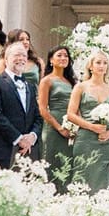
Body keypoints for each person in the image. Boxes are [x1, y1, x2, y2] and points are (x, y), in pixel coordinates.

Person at [66, 52, 109, 192]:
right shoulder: (80, 87)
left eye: (105, 63)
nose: (102, 66)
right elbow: (70, 114)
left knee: (102, 183)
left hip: (106, 141)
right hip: (85, 140)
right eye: (98, 62)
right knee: (83, 177)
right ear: (90, 66)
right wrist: (91, 126)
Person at [0, 40, 41, 168]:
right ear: (6, 59)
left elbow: (37, 117)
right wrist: (18, 138)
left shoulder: (30, 86)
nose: (21, 58)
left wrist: (32, 136)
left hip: (28, 151)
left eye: (24, 56)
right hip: (2, 148)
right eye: (17, 55)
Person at [37, 46, 78, 185]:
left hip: (71, 125)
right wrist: (60, 128)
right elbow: (42, 109)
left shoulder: (71, 81)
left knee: (68, 163)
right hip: (54, 126)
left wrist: (74, 127)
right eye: (59, 55)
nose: (63, 58)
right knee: (53, 162)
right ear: (51, 60)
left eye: (66, 56)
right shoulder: (46, 80)